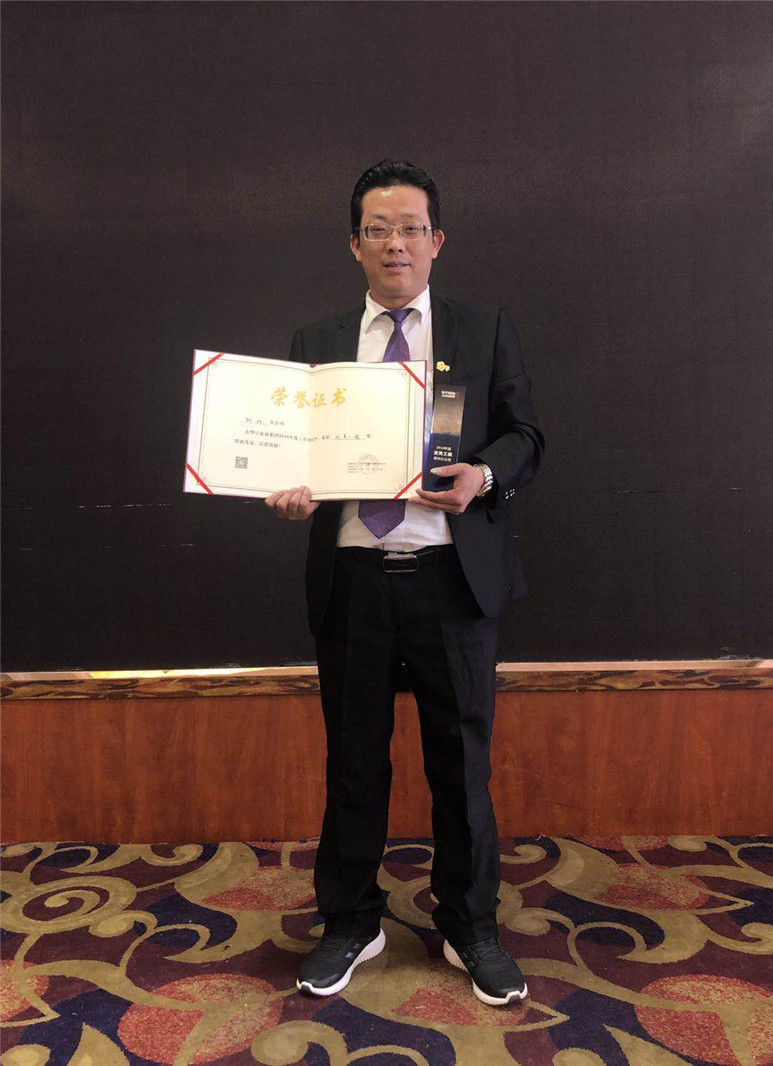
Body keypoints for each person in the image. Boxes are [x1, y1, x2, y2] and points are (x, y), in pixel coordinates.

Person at [265, 160, 545, 1007]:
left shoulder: (483, 329)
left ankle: (470, 923)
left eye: (412, 228)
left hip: (451, 580)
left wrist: (481, 478)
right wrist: (285, 488)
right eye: (379, 229)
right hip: (352, 579)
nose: (397, 243)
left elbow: (525, 437)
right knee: (353, 761)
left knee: (460, 763)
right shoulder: (316, 342)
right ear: (354, 244)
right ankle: (352, 920)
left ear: (437, 240)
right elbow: (291, 456)